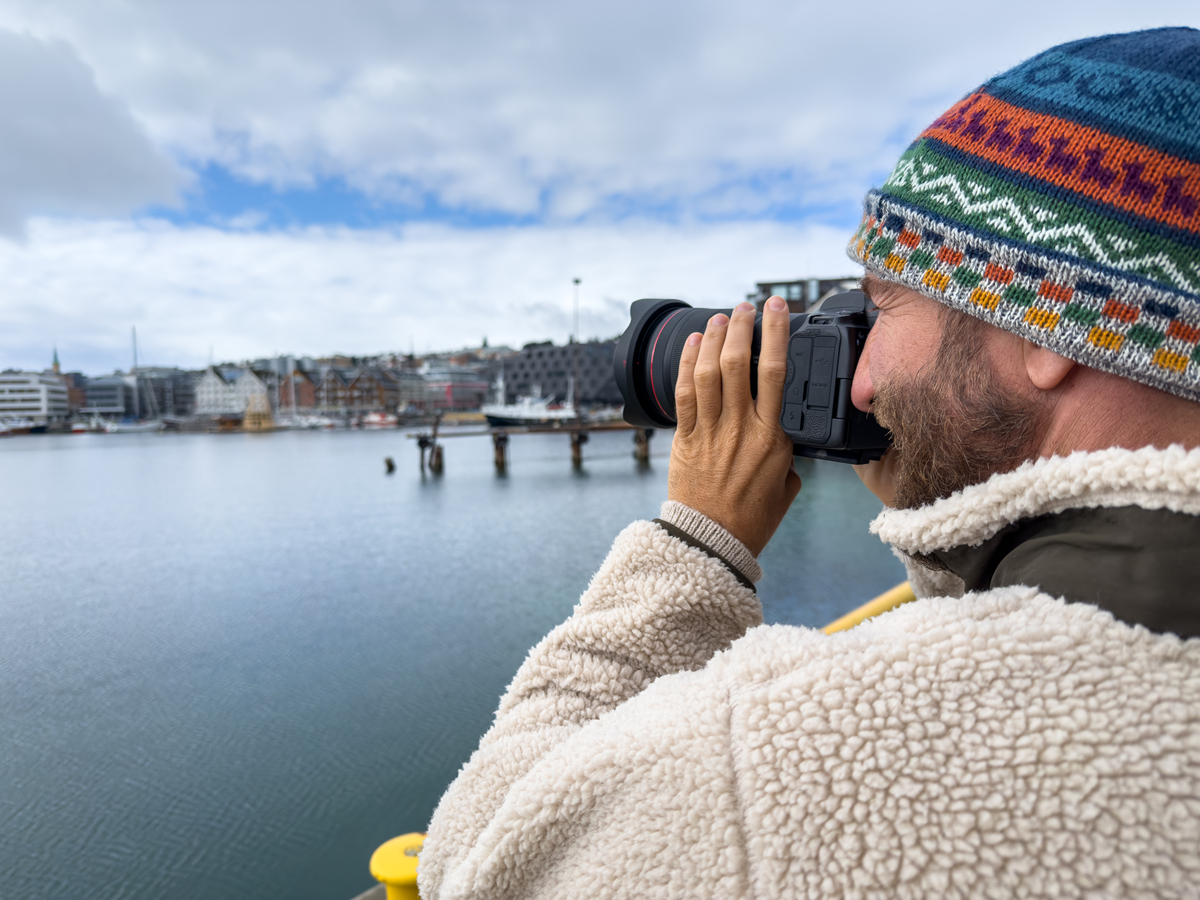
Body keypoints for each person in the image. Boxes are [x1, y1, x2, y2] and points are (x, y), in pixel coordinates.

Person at [420, 28, 1200, 899]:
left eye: (882, 304)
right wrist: (954, 537)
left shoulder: (788, 760)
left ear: (1043, 324)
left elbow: (482, 855)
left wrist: (697, 544)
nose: (859, 380)